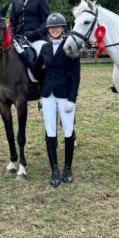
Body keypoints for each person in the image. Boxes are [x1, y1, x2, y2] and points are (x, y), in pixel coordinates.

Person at [15, 13, 80, 187]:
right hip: (47, 95)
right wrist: (22, 54)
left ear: (63, 28)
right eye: (52, 27)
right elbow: (35, 69)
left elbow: (76, 76)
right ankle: (54, 170)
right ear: (48, 30)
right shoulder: (45, 48)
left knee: (68, 131)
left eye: (58, 27)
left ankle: (67, 169)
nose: (55, 30)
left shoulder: (70, 47)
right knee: (50, 132)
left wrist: (72, 99)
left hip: (65, 95)